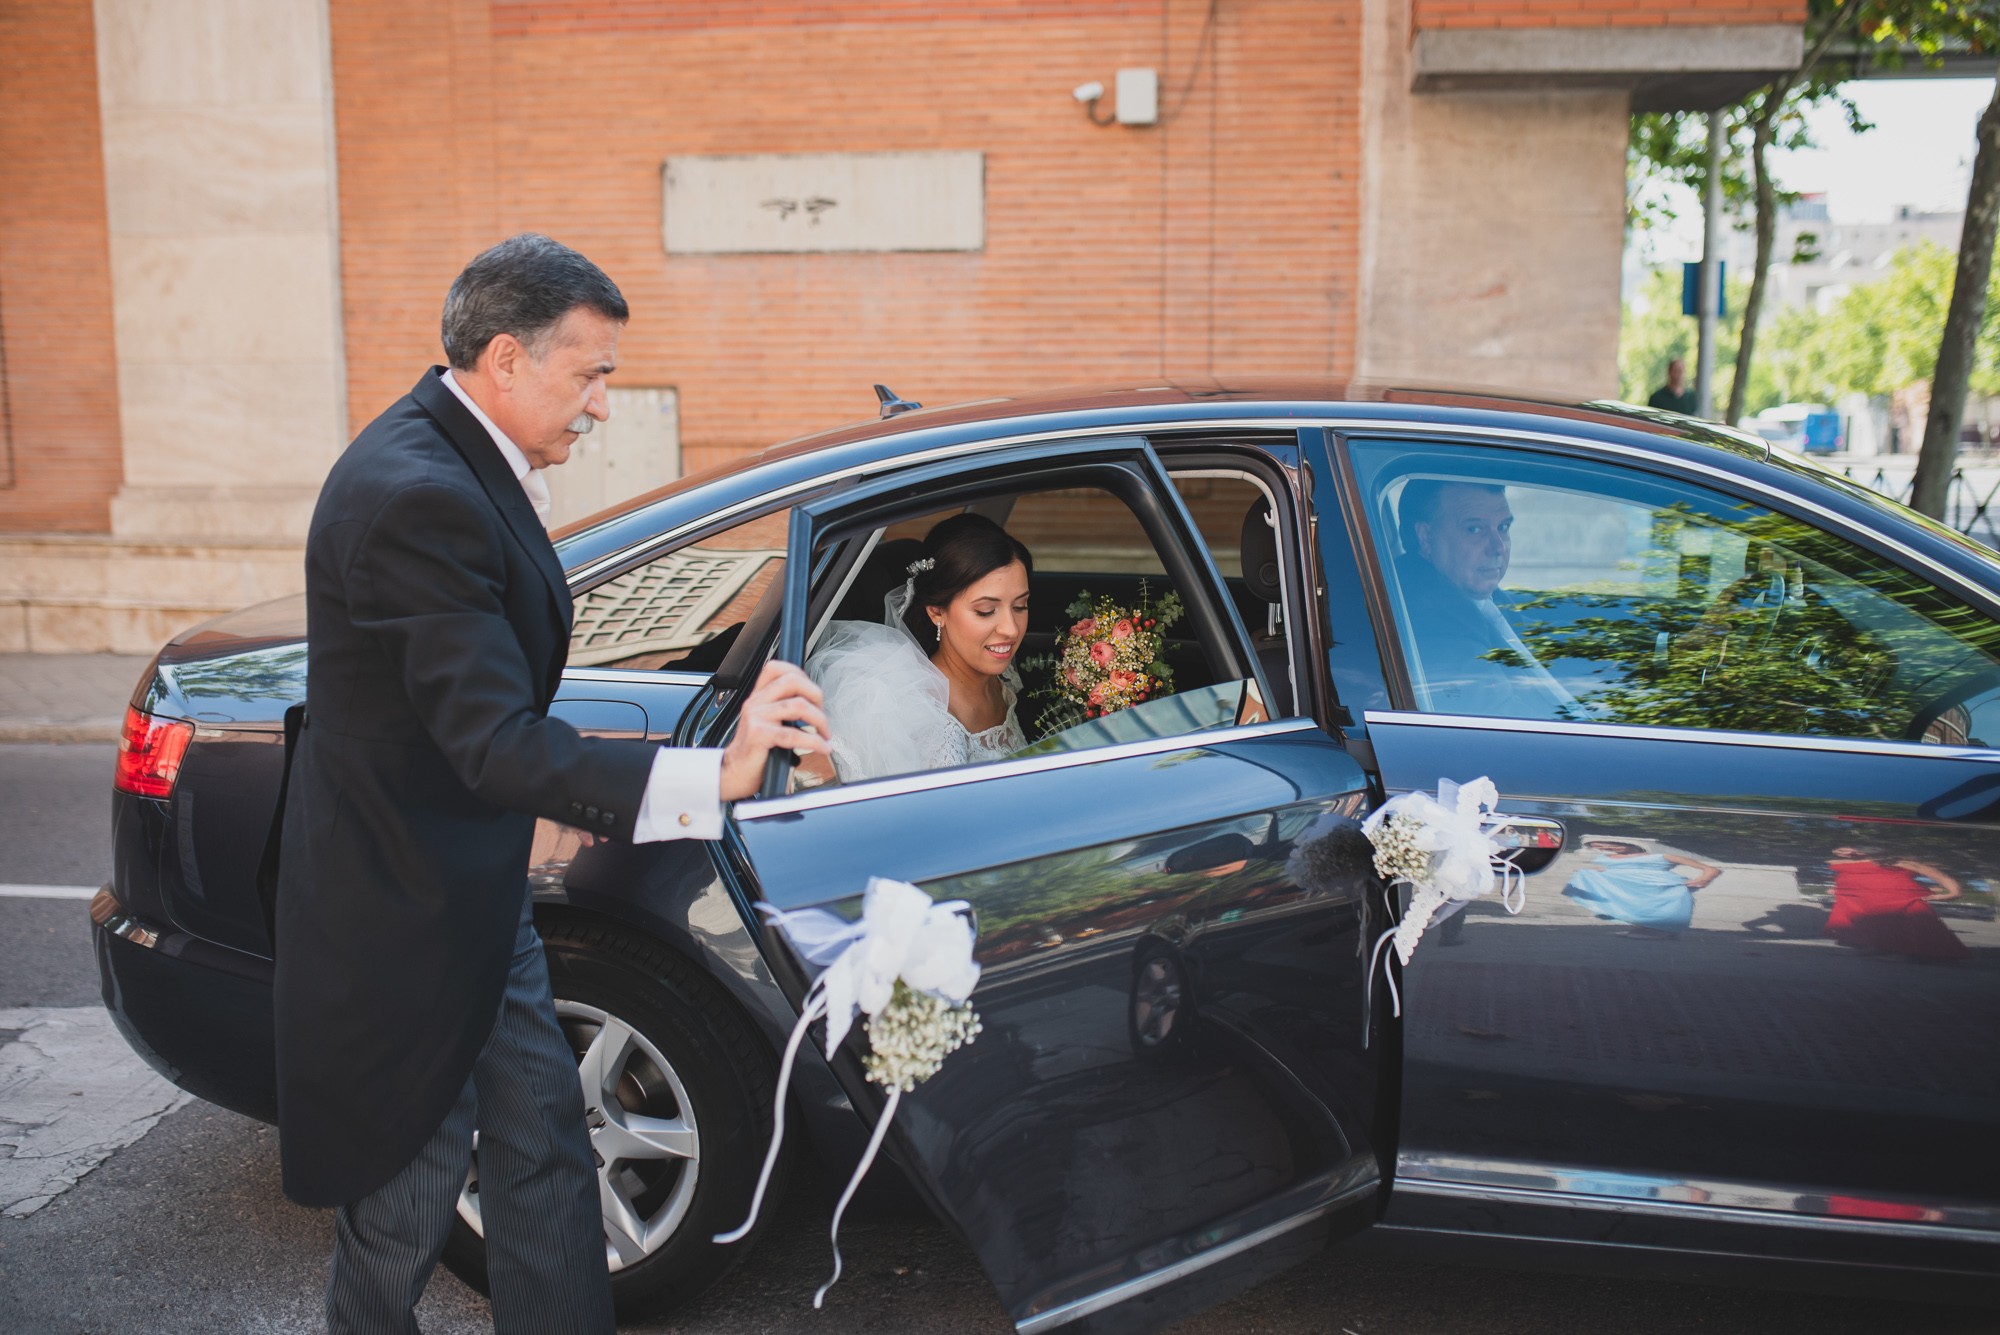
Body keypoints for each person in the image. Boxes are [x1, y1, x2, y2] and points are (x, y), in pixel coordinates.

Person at [271, 233, 831, 1334]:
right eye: (590, 374)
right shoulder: (416, 494)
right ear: (505, 359)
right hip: (401, 923)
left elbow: (467, 704)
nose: (601, 404)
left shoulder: (450, 457)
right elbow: (494, 741)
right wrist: (718, 771)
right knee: (404, 1202)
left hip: (473, 898)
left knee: (545, 1150)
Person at [799, 514, 1032, 784]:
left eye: (1020, 606)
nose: (1011, 629)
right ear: (937, 612)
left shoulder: (1003, 681)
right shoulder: (922, 723)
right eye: (986, 611)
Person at [1394, 479, 1582, 719]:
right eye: (1474, 529)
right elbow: (1511, 726)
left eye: (1503, 527)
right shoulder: (1435, 627)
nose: (1498, 547)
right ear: (1426, 537)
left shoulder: (1470, 600)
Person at [1824, 844, 1970, 963]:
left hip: (1898, 898)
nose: (1848, 852)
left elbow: (1940, 876)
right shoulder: (1847, 861)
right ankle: (1879, 947)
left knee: (1904, 923)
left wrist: (1954, 892)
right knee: (1874, 921)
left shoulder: (1902, 862)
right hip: (1862, 900)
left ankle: (1911, 953)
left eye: (1857, 850)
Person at [1562, 838, 1720, 938]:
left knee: (1659, 905)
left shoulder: (1660, 856)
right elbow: (1612, 870)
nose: (1606, 848)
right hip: (1632, 885)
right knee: (1634, 902)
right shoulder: (1606, 857)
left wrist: (1705, 878)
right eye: (1600, 846)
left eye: (1609, 844)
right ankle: (1644, 928)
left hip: (1659, 884)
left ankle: (1661, 930)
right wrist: (1591, 873)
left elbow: (1711, 869)